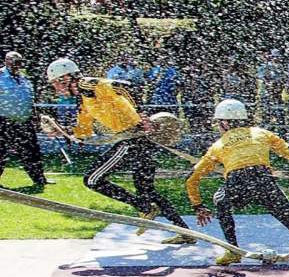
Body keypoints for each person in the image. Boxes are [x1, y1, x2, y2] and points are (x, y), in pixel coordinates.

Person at [45, 58, 193, 244]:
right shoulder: (83, 100)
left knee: (92, 179)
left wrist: (141, 115)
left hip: (131, 141)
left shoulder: (86, 85)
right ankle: (186, 233)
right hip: (139, 142)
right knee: (147, 190)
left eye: (55, 82)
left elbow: (120, 87)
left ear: (65, 78)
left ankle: (144, 207)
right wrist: (58, 129)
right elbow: (83, 131)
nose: (55, 88)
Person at [185, 99, 289, 265]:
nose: (218, 127)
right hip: (264, 182)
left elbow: (191, 179)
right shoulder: (262, 133)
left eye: (218, 123)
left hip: (237, 185)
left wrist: (198, 206)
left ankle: (232, 250)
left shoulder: (217, 145)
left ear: (224, 123)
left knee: (220, 199)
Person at [0, 51, 48, 188]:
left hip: (24, 122)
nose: (17, 65)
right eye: (14, 61)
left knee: (32, 151)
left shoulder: (24, 78)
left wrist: (35, 115)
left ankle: (39, 179)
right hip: (3, 121)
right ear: (6, 61)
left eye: (19, 62)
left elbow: (29, 99)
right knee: (1, 152)